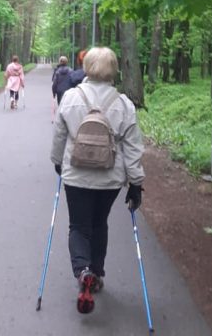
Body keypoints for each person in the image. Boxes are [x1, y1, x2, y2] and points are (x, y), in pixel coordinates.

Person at [50, 47, 145, 314]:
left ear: (87, 67)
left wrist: (58, 161)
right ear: (114, 69)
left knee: (78, 226)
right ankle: (97, 272)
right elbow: (133, 147)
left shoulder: (71, 97)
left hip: (76, 175)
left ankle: (83, 271)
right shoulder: (123, 103)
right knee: (99, 223)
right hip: (109, 178)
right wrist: (136, 183)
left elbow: (59, 134)